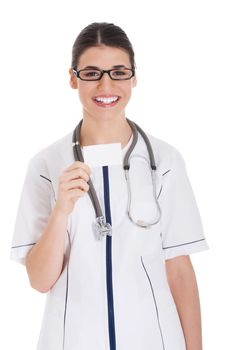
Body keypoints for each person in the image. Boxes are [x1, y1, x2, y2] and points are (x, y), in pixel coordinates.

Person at [10, 22, 208, 350]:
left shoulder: (164, 160)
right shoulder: (46, 165)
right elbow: (39, 281)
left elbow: (180, 271)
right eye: (91, 73)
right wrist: (61, 211)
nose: (106, 84)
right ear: (73, 78)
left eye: (118, 72)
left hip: (154, 339)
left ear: (133, 77)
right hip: (71, 340)